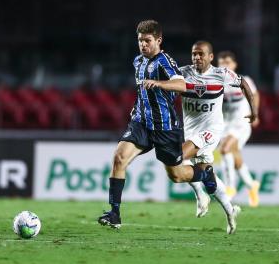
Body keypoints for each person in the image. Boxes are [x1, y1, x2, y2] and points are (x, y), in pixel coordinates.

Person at [97, 20, 227, 232]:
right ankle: (114, 214)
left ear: (158, 40)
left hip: (165, 128)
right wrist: (137, 107)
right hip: (141, 123)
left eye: (148, 40)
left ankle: (204, 174)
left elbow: (181, 84)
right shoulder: (138, 61)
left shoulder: (164, 61)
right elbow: (142, 91)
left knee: (175, 175)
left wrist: (159, 83)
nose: (143, 45)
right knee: (119, 157)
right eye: (140, 41)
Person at [179, 42, 258, 233]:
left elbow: (244, 84)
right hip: (190, 130)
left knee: (179, 156)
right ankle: (231, 211)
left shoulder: (222, 74)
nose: (197, 57)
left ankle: (200, 195)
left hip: (212, 130)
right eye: (193, 54)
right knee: (207, 175)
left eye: (201, 54)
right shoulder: (182, 72)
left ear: (210, 57)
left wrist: (254, 112)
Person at [217, 51, 260, 207]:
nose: (224, 65)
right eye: (221, 62)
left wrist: (255, 112)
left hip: (242, 122)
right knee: (234, 158)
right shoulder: (216, 82)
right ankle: (251, 185)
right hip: (225, 124)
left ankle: (230, 187)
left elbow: (255, 94)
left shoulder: (244, 80)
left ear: (234, 65)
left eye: (228, 62)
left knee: (225, 149)